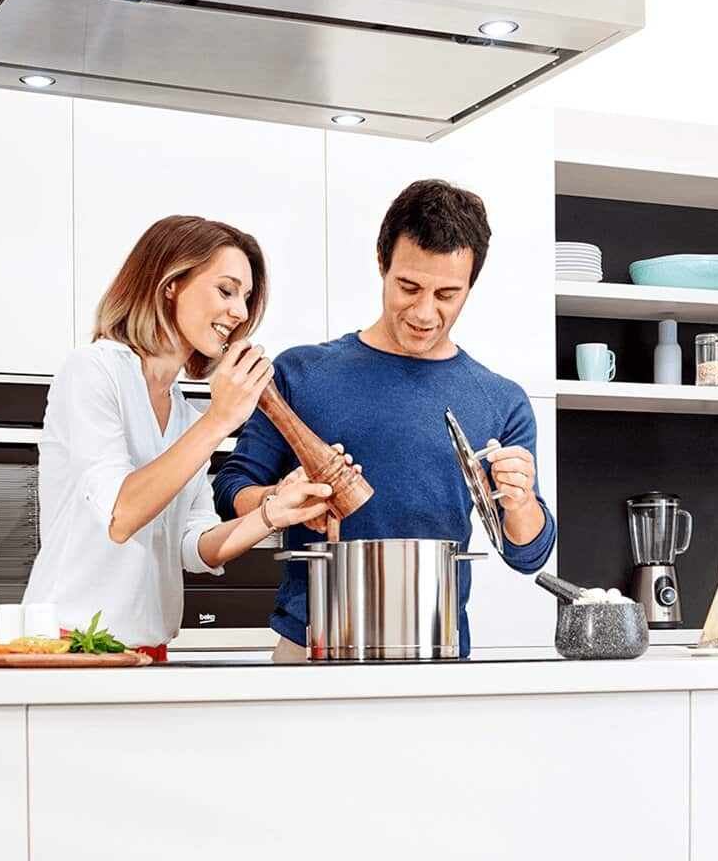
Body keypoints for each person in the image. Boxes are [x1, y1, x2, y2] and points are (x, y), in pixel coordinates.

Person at [213, 179, 556, 660]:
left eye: (447, 294)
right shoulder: (301, 374)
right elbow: (231, 492)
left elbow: (526, 554)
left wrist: (519, 502)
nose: (424, 311)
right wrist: (280, 500)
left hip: (438, 650)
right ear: (382, 262)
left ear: (471, 285)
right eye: (409, 286)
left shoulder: (500, 400)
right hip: (310, 647)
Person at [22, 215, 352, 659]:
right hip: (66, 650)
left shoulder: (182, 413)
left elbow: (196, 547)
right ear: (170, 282)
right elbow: (121, 515)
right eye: (226, 290)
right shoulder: (92, 372)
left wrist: (275, 512)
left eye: (246, 297)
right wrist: (218, 420)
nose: (240, 312)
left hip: (149, 653)